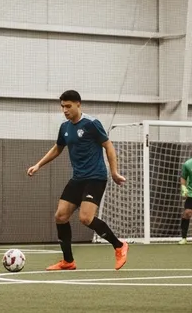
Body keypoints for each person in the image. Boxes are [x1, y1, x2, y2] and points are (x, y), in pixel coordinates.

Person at [27, 90, 127, 271]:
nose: (65, 110)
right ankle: (68, 261)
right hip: (78, 178)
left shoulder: (91, 124)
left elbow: (108, 146)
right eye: (62, 107)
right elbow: (57, 148)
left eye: (68, 106)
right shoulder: (65, 127)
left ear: (78, 104)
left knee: (85, 218)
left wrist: (114, 172)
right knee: (60, 216)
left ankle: (119, 246)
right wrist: (38, 165)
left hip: (95, 177)